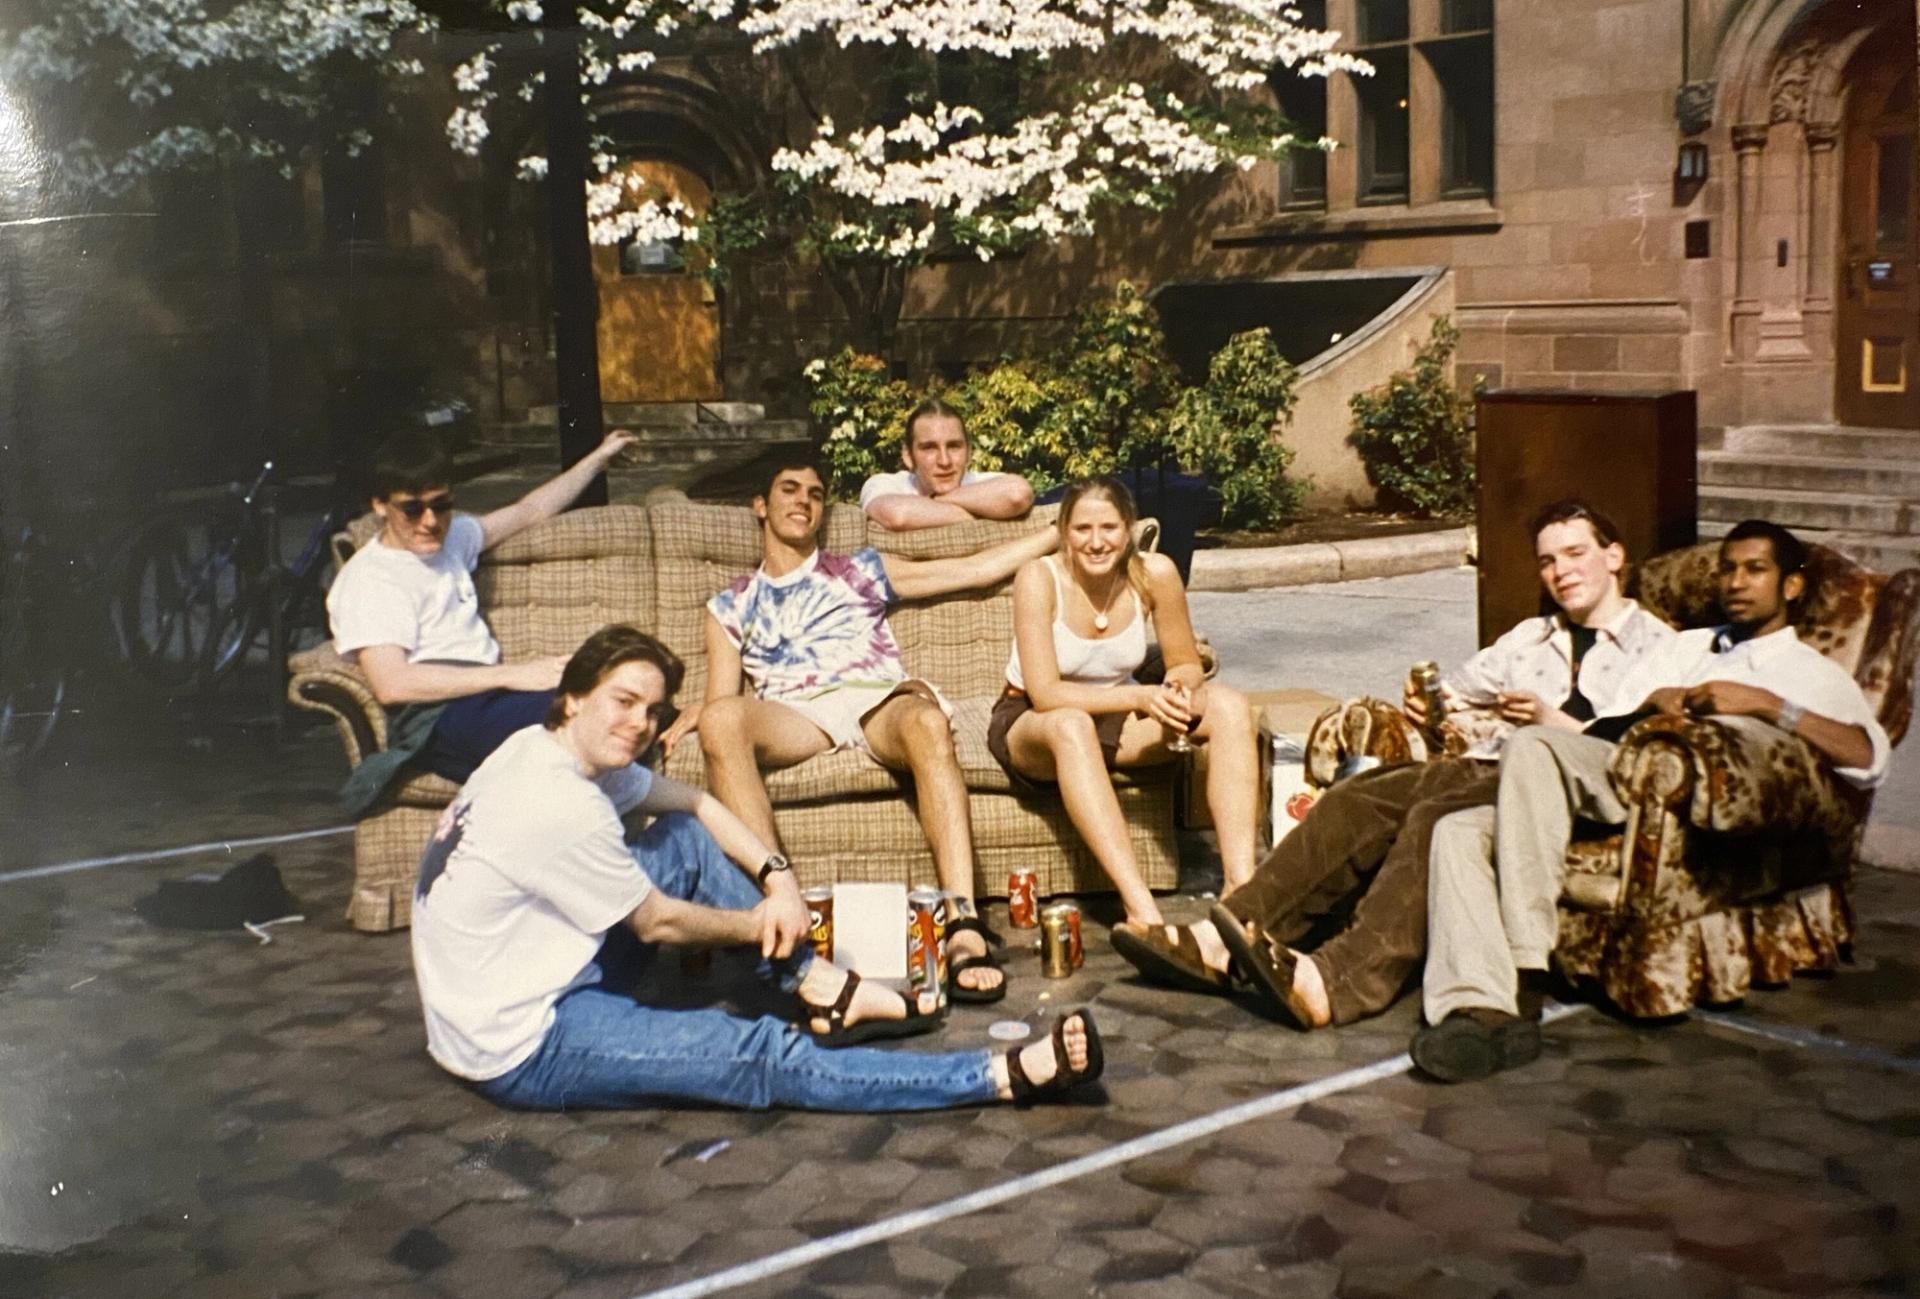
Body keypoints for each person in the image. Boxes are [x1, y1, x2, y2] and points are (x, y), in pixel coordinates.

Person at [410, 623, 1103, 1112]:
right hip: (524, 1039)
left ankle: (823, 986)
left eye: (652, 711)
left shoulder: (548, 746)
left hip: (538, 970)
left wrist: (781, 878)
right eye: (623, 701)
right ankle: (1000, 1074)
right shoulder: (559, 803)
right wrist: (759, 921)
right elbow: (660, 923)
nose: (640, 724)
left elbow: (698, 807)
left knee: (678, 835)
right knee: (759, 1054)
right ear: (573, 695)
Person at [1113, 499, 1674, 1031]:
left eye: (1576, 554)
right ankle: (1227, 935)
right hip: (1480, 765)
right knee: (1363, 792)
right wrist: (1434, 708)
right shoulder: (1531, 637)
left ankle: (1341, 983)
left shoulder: (1660, 648)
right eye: (1549, 560)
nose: (1561, 572)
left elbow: (1628, 753)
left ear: (1615, 556)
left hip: (1552, 792)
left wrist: (1550, 719)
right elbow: (1455, 694)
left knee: (1432, 816)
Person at [1414, 520, 1891, 1082]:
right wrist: (1650, 704)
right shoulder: (1685, 645)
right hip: (1612, 771)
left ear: (1790, 586)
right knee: (1460, 830)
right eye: (1729, 569)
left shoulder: (1806, 669)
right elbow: (1596, 728)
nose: (1737, 582)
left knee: (1534, 743)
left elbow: (1866, 756)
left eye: (1755, 569)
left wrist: (1764, 703)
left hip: (1676, 806)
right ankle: (1479, 1008)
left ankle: (1525, 974)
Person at [660, 453, 1059, 1004]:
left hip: (874, 698)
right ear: (761, 505)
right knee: (723, 718)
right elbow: (723, 701)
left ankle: (963, 924)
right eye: (789, 487)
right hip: (798, 713)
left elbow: (976, 568)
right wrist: (697, 711)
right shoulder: (731, 604)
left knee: (924, 720)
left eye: (815, 494)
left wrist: (1058, 532)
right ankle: (783, 906)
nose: (803, 500)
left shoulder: (862, 569)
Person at [989, 476, 1259, 929]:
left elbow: (1185, 662)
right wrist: (1139, 695)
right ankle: (1142, 911)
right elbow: (1046, 693)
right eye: (1082, 530)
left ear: (1129, 528)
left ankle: (1242, 891)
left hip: (1114, 719)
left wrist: (1177, 686)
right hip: (1033, 721)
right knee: (1072, 723)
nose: (1097, 543)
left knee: (1230, 706)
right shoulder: (1039, 577)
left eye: (1109, 528)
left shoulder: (1156, 573)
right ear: (1063, 532)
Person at [328, 426, 635, 815]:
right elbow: (392, 684)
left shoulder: (453, 538)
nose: (430, 522)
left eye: (441, 505)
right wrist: (511, 674)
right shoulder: (372, 578)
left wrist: (598, 459)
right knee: (581, 723)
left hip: (486, 702)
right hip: (436, 719)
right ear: (378, 504)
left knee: (620, 705)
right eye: (412, 508)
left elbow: (531, 510)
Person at [859, 398, 1035, 531]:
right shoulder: (885, 484)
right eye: (929, 448)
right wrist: (988, 513)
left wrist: (933, 503)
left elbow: (1017, 495)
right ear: (908, 456)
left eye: (954, 446)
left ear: (969, 451)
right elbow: (898, 516)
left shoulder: (982, 481)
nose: (944, 461)